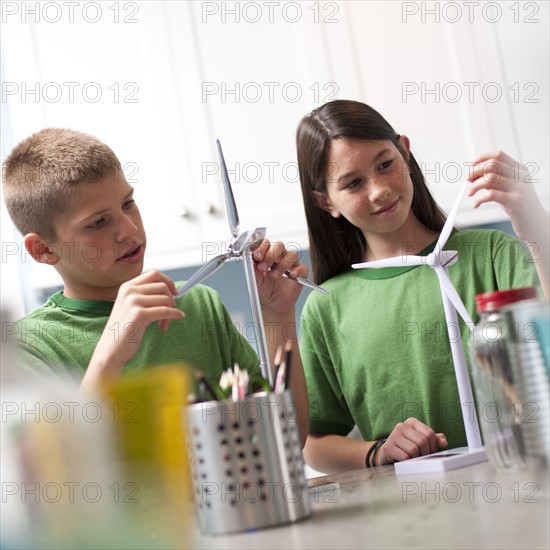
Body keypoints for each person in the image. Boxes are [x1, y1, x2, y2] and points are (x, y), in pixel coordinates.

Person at [3, 128, 309, 441]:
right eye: (97, 222)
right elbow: (51, 479)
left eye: (127, 203)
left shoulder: (198, 304)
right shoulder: (27, 346)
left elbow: (287, 439)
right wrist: (110, 353)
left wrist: (277, 316)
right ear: (43, 250)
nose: (129, 228)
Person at [295, 99, 549, 473]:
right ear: (325, 201)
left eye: (385, 164)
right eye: (353, 183)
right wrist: (378, 452)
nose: (380, 190)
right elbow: (314, 443)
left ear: (405, 152)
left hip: (525, 482)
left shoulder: (495, 255)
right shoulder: (326, 306)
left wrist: (537, 230)